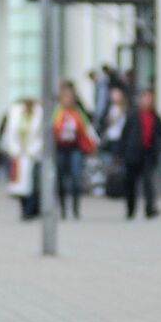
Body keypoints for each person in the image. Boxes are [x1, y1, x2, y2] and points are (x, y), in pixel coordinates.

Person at [115, 88, 161, 218]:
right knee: (130, 183)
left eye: (151, 98)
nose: (148, 101)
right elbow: (124, 135)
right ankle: (130, 209)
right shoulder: (133, 115)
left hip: (148, 153)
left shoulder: (155, 117)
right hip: (132, 154)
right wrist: (120, 154)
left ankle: (150, 209)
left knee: (148, 181)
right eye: (146, 98)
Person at [48, 81, 95, 219]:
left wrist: (91, 146)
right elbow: (51, 130)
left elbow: (87, 130)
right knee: (61, 179)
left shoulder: (78, 112)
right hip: (61, 149)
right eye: (65, 97)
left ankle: (75, 208)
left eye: (70, 97)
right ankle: (62, 208)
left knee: (76, 177)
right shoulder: (57, 113)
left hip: (75, 148)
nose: (68, 100)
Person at [0, 97, 46, 220]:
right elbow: (10, 134)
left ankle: (32, 209)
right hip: (18, 155)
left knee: (33, 184)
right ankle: (24, 210)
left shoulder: (39, 116)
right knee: (20, 185)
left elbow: (41, 136)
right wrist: (15, 150)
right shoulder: (16, 116)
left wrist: (32, 150)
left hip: (33, 155)